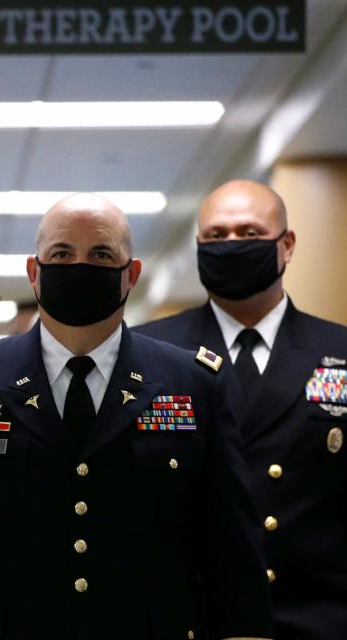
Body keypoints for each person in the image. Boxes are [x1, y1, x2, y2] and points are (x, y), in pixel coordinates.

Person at [0, 194, 273, 640]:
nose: (79, 266)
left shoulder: (193, 382)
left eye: (101, 254)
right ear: (34, 273)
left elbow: (231, 549)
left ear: (131, 275)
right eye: (62, 254)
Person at [136, 179, 347, 640]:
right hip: (192, 619)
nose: (231, 245)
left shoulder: (340, 351)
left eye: (249, 234)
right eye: (216, 237)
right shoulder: (148, 353)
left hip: (314, 619)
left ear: (286, 245)